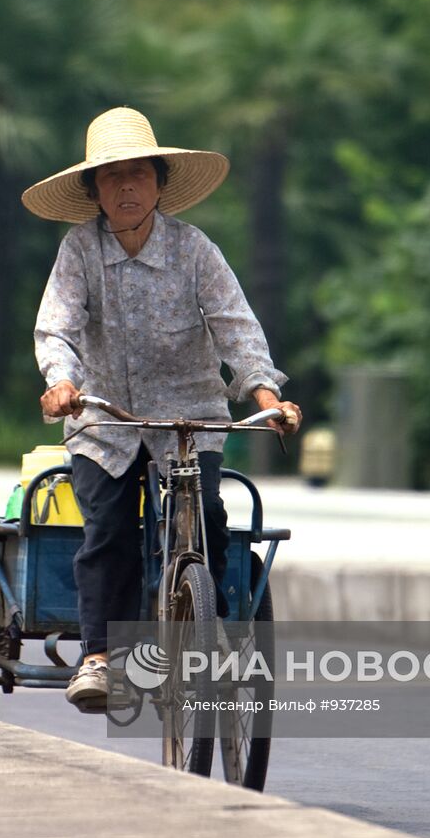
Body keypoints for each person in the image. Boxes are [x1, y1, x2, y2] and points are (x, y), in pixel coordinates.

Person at [24, 107, 302, 710]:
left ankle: (210, 638)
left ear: (159, 182)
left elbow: (238, 331)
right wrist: (61, 382)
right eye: (112, 177)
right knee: (107, 529)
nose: (126, 188)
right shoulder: (79, 251)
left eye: (138, 175)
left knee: (206, 518)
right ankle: (98, 656)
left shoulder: (195, 251)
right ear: (95, 190)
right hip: (105, 419)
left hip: (187, 420)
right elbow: (58, 329)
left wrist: (267, 397)